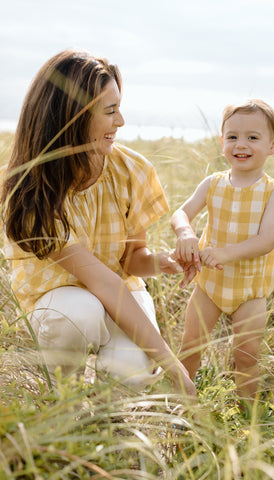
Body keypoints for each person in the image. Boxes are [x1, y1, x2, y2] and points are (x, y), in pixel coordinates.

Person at [1, 49, 196, 397]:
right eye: (110, 111)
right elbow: (101, 283)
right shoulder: (32, 190)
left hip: (118, 292)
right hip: (62, 302)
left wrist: (161, 262)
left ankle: (108, 430)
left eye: (119, 108)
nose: (120, 121)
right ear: (73, 117)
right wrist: (173, 366)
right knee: (78, 314)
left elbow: (130, 260)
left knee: (131, 376)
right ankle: (65, 401)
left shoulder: (130, 169)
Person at [171, 99, 274, 403]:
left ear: (272, 145)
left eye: (253, 137)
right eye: (233, 137)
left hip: (249, 289)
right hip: (210, 285)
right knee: (191, 345)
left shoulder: (273, 191)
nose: (241, 145)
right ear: (222, 142)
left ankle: (248, 416)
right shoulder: (213, 183)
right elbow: (181, 213)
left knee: (246, 355)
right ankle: (181, 406)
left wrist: (223, 254)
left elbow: (266, 240)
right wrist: (186, 233)